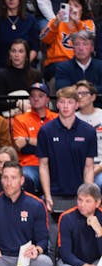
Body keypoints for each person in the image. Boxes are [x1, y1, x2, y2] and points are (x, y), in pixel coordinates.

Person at [38, 85, 97, 218]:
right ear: (57, 104)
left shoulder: (88, 131)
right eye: (62, 102)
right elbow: (43, 166)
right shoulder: (46, 131)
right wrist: (47, 195)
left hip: (79, 194)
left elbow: (89, 167)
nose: (65, 106)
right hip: (54, 192)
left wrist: (87, 196)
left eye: (70, 102)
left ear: (76, 105)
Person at [40, 0, 94, 79]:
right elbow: (43, 38)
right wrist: (55, 24)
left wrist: (78, 23)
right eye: (70, 5)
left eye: (76, 6)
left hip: (79, 63)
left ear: (82, 9)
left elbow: (90, 40)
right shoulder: (56, 22)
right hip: (56, 63)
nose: (72, 8)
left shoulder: (88, 23)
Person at [0, 0, 40, 71]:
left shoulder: (30, 20)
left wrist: (23, 64)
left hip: (25, 67)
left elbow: (34, 48)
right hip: (2, 67)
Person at [75, 79, 102, 187]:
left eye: (83, 93)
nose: (79, 97)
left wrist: (98, 168)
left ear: (93, 97)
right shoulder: (72, 118)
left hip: (99, 164)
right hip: (78, 166)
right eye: (77, 94)